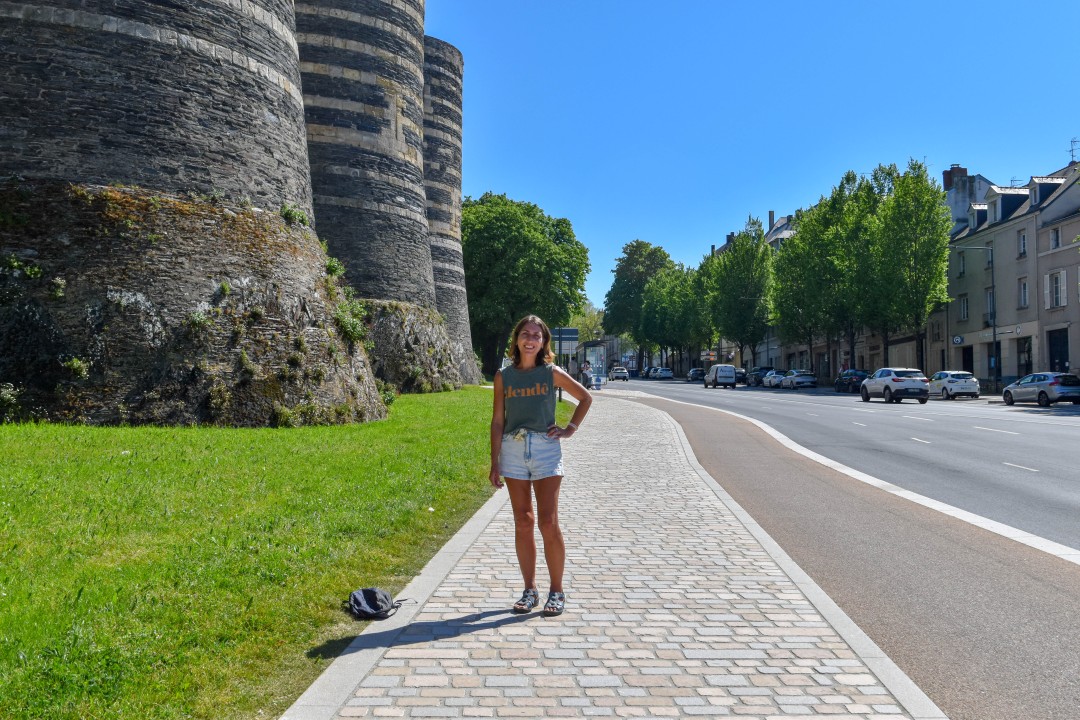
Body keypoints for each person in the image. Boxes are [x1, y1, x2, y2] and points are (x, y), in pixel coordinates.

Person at [490, 314, 592, 617]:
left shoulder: (551, 373)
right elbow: (498, 420)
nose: (530, 339)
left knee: (548, 521)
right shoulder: (503, 376)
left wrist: (570, 429)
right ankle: (530, 589)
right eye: (525, 334)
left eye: (537, 335)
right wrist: (494, 460)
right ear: (517, 339)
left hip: (546, 450)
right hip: (513, 449)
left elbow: (584, 398)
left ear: (544, 342)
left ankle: (557, 591)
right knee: (523, 520)